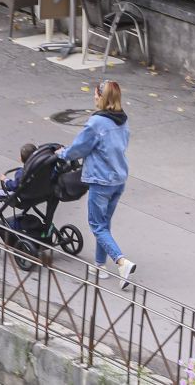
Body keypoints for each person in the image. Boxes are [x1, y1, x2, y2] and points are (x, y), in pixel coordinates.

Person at [58, 79, 135, 287]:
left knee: (96, 225)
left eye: (95, 95)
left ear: (102, 98)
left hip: (101, 180)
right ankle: (100, 265)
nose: (94, 98)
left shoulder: (96, 122)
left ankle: (121, 262)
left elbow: (79, 148)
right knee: (104, 224)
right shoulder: (123, 120)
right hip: (119, 179)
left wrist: (63, 154)